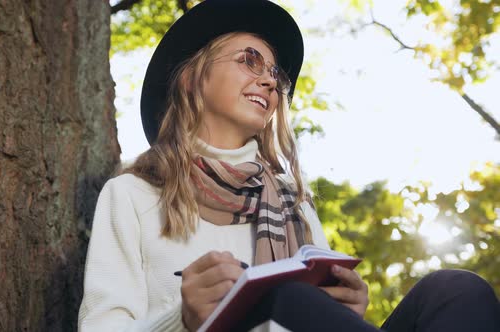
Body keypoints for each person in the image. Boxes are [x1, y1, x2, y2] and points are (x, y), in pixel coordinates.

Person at [78, 0, 500, 331]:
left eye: (275, 74)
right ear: (192, 78)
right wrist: (184, 321)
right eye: (249, 60)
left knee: (457, 290)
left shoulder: (293, 202)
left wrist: (346, 311)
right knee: (283, 299)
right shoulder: (131, 194)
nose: (270, 81)